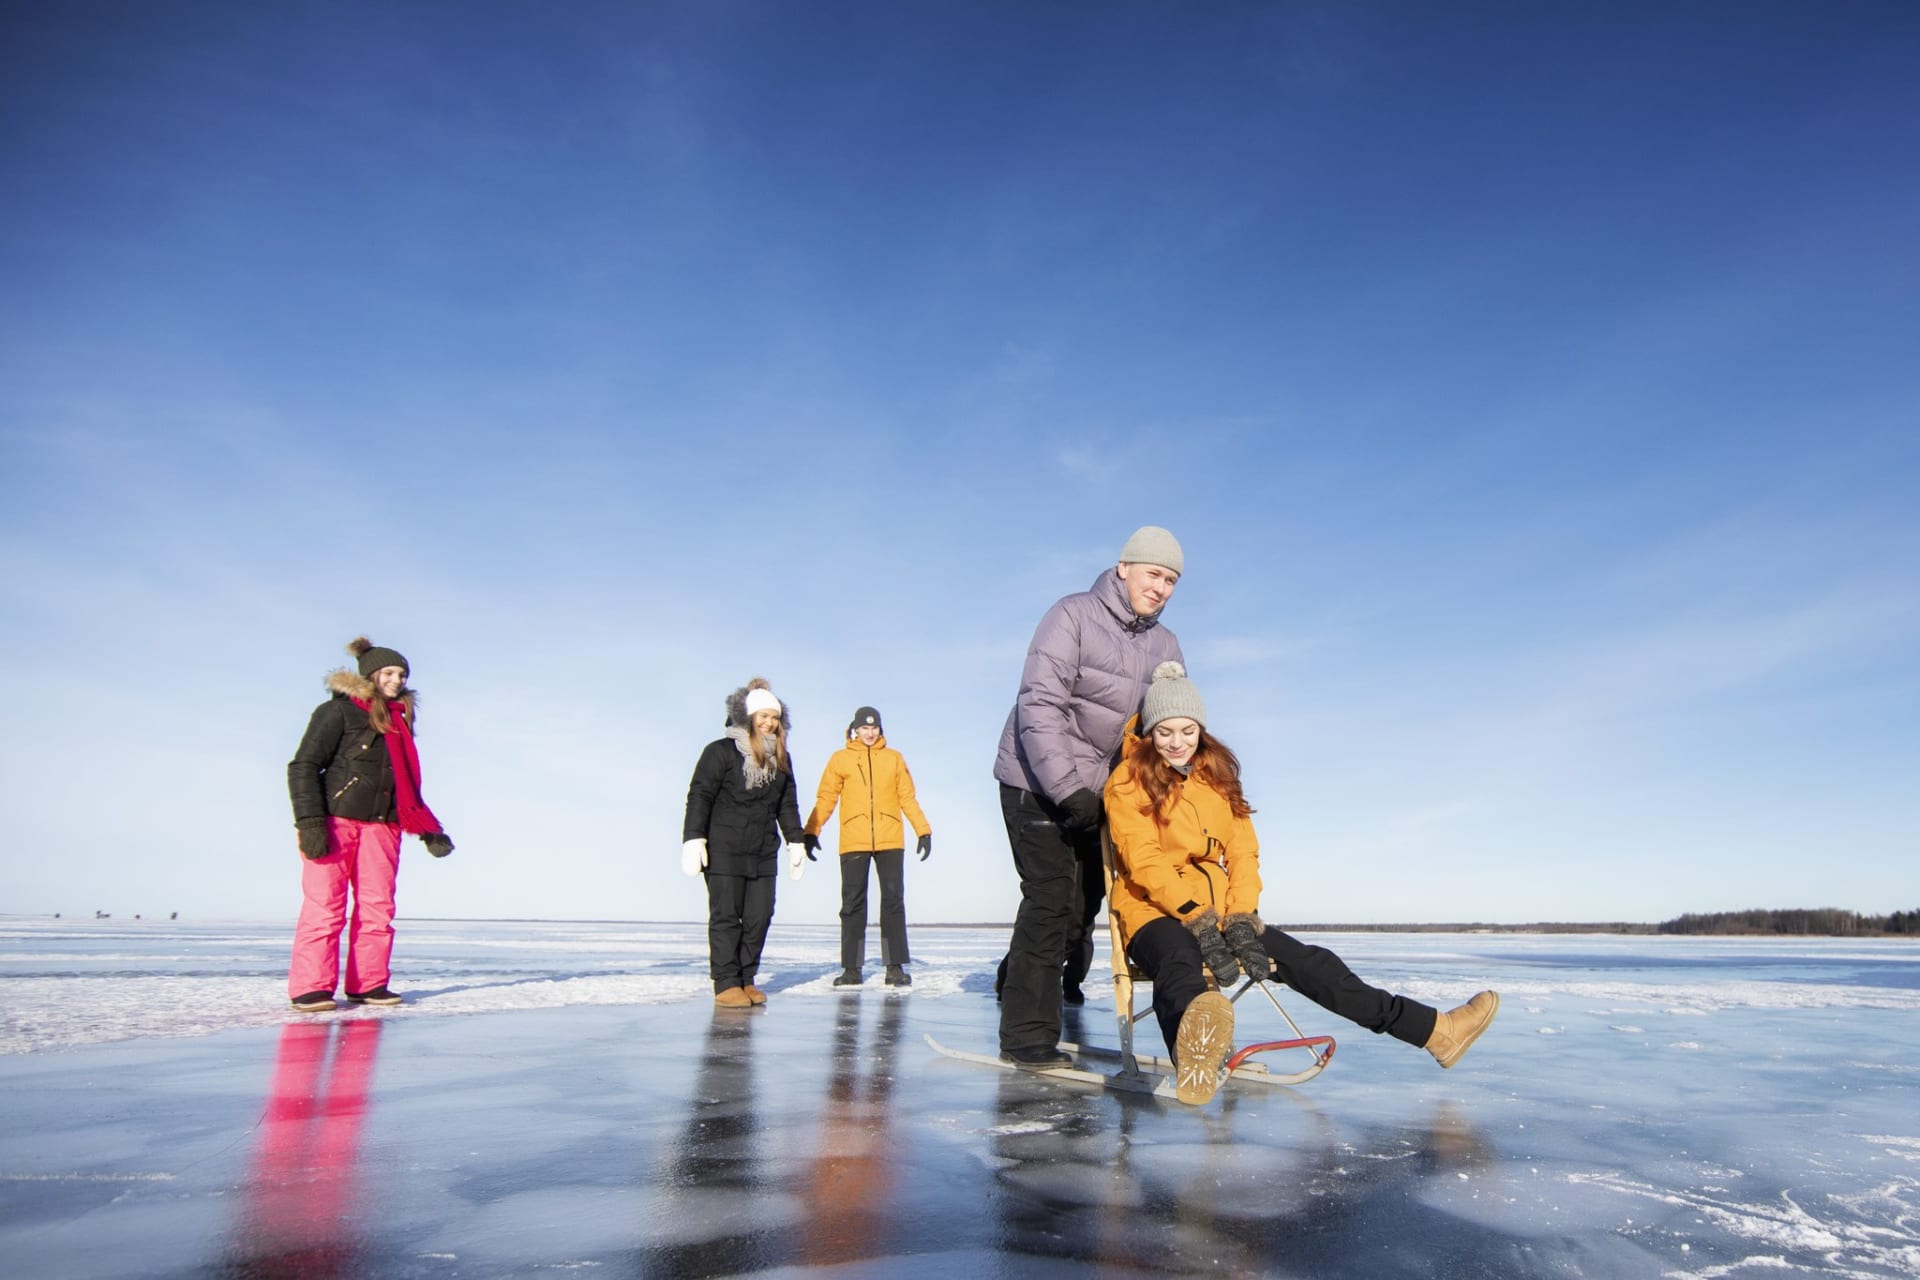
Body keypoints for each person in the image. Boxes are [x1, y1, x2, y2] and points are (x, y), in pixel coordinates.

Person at [1107, 661, 1500, 1104]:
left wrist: (1239, 917)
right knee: (1178, 962)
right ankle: (1193, 1058)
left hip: (1218, 913)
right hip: (1154, 913)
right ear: (1151, 732)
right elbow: (1143, 860)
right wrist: (1195, 917)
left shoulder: (1215, 780)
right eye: (1165, 732)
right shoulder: (1128, 780)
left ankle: (1436, 1031)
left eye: (1187, 731)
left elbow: (1242, 854)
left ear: (1201, 729)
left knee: (1312, 962)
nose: (1177, 743)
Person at [993, 526, 1186, 1067]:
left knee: (1081, 912)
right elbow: (1039, 706)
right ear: (1124, 567)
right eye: (1154, 574)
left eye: (1171, 581)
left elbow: (1162, 726)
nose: (1162, 588)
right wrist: (1067, 789)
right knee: (1051, 902)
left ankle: (1014, 980)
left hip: (1099, 797)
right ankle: (1027, 1038)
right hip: (1033, 782)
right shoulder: (1072, 615)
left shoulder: (1165, 645)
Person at [285, 637, 454, 1013]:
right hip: (335, 821)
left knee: (378, 908)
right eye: (390, 672)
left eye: (403, 674)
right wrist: (311, 822)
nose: (398, 680)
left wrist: (430, 830)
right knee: (325, 907)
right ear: (371, 674)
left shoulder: (399, 722)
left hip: (383, 827)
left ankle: (368, 984)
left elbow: (404, 783)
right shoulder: (338, 713)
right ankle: (311, 988)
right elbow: (303, 767)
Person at [683, 677, 808, 1009]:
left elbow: (787, 803)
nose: (769, 723)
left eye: (775, 717)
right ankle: (726, 982)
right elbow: (700, 795)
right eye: (763, 716)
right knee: (726, 916)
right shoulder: (720, 752)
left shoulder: (780, 759)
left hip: (763, 851)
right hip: (724, 849)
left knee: (759, 916)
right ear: (748, 717)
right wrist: (693, 838)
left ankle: (746, 977)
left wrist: (795, 841)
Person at [803, 706, 933, 988]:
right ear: (855, 729)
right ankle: (852, 968)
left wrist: (922, 830)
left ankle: (894, 967)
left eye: (874, 728)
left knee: (893, 901)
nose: (869, 733)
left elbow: (907, 797)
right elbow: (826, 797)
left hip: (890, 838)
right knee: (852, 904)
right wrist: (812, 830)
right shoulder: (840, 759)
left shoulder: (894, 759)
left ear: (880, 729)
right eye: (864, 728)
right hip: (853, 839)